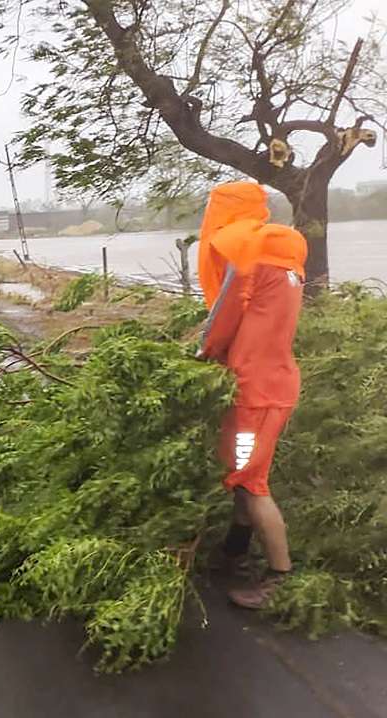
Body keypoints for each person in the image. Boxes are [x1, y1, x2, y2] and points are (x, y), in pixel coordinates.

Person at [196, 180, 307, 609]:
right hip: (275, 379)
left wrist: (203, 354)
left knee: (251, 482)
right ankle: (232, 555)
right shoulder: (281, 253)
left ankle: (281, 578)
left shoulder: (242, 253)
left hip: (254, 390)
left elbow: (224, 317)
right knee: (243, 475)